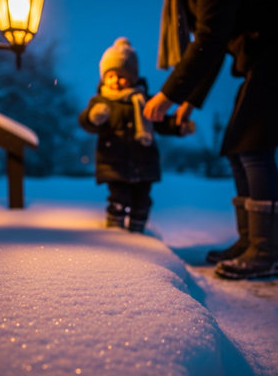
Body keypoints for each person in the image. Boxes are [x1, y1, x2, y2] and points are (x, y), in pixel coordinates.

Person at [132, 0, 278, 278]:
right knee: (238, 145)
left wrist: (169, 95)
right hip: (267, 52)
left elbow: (211, 36)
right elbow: (214, 41)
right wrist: (189, 102)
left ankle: (266, 253)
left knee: (252, 144)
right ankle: (251, 242)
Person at [79, 37, 194, 233]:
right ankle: (115, 231)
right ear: (103, 78)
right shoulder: (100, 102)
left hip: (143, 162)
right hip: (114, 162)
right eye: (111, 76)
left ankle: (137, 230)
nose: (116, 81)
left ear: (133, 77)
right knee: (118, 198)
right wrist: (93, 117)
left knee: (142, 200)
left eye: (122, 76)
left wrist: (177, 126)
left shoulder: (145, 101)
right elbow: (86, 123)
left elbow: (161, 121)